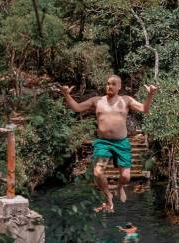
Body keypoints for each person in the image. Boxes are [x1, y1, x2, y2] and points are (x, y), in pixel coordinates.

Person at [59, 75, 157, 212]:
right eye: (108, 83)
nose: (109, 86)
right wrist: (66, 94)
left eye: (113, 84)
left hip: (121, 143)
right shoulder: (97, 101)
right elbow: (77, 108)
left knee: (126, 177)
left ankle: (120, 187)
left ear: (119, 86)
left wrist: (150, 94)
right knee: (98, 172)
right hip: (103, 143)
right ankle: (108, 196)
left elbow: (144, 109)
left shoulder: (126, 100)